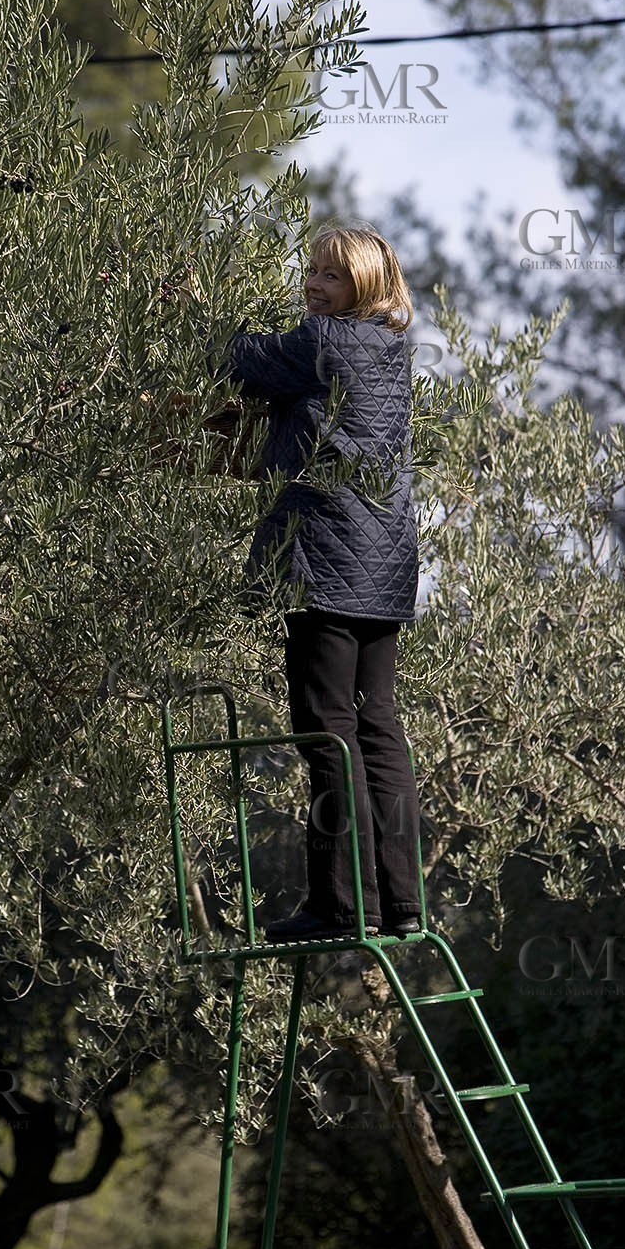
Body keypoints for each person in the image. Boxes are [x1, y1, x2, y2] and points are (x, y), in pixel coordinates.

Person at [219, 222, 423, 944]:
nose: (312, 284)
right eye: (310, 269)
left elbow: (239, 359)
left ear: (362, 285)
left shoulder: (322, 341)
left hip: (326, 564)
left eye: (330, 275)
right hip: (385, 565)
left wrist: (183, 308)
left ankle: (341, 905)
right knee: (377, 728)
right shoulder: (391, 348)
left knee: (327, 730)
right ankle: (400, 902)